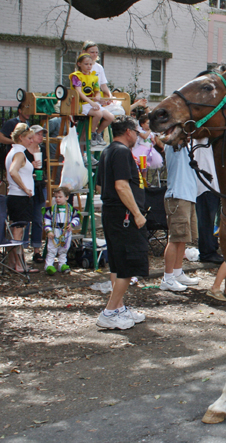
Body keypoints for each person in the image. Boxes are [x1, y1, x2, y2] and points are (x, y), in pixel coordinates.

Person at [96, 116, 149, 329]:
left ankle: (118, 307)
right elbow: (121, 186)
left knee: (118, 262)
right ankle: (109, 312)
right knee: (129, 263)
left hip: (112, 213)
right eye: (136, 132)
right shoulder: (122, 152)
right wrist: (136, 213)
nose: (137, 136)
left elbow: (100, 186)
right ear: (128, 131)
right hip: (124, 216)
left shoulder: (107, 151)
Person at [161, 144, 201, 291]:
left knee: (183, 237)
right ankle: (167, 277)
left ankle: (177, 273)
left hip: (188, 196)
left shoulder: (187, 144)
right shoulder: (174, 143)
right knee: (175, 238)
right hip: (177, 196)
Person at [5, 123, 38, 273]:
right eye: (29, 138)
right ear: (21, 138)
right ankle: (19, 265)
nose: (31, 141)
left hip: (15, 196)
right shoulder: (19, 154)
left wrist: (27, 176)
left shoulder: (13, 152)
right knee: (18, 233)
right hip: (20, 197)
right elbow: (13, 171)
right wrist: (24, 187)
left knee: (14, 231)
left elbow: (15, 172)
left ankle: (13, 263)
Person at [69, 53, 114, 146]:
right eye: (86, 64)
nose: (89, 66)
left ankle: (98, 133)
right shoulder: (76, 76)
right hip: (82, 103)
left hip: (91, 103)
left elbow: (97, 90)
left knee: (110, 117)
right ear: (79, 64)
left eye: (90, 64)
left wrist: (97, 96)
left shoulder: (94, 77)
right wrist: (91, 102)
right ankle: (92, 134)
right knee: (98, 113)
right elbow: (79, 92)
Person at [193, 136, 224, 264]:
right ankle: (207, 252)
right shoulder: (200, 140)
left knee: (212, 220)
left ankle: (212, 248)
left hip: (212, 186)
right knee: (206, 220)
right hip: (204, 186)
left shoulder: (209, 142)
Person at [43, 187, 79, 275]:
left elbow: (77, 218)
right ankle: (49, 265)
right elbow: (46, 220)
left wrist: (72, 224)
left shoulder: (70, 209)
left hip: (65, 233)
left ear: (67, 197)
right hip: (54, 232)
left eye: (60, 197)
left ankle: (62, 264)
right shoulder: (51, 210)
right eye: (56, 197)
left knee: (64, 250)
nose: (57, 199)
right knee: (51, 250)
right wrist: (49, 231)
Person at [25, 125, 47, 264]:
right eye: (38, 134)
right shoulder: (23, 151)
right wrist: (31, 165)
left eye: (42, 134)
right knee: (26, 219)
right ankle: (22, 248)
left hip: (40, 185)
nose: (41, 137)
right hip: (27, 186)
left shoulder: (43, 150)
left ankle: (37, 250)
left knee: (38, 219)